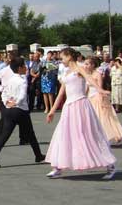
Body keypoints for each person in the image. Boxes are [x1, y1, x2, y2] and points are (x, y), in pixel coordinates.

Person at [45, 48, 117, 180]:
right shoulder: (67, 72)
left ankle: (110, 165)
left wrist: (100, 89)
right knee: (64, 135)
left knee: (89, 134)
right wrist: (52, 110)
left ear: (69, 56)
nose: (61, 60)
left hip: (81, 105)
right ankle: (58, 167)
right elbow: (61, 93)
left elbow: (89, 78)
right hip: (69, 107)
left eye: (63, 57)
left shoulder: (80, 68)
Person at [0, 58, 44, 168]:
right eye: (24, 66)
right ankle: (38, 155)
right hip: (21, 110)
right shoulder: (22, 80)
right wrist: (16, 102)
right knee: (31, 134)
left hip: (9, 110)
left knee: (4, 135)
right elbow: (22, 96)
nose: (26, 68)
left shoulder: (10, 80)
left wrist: (7, 103)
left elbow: (4, 93)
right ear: (19, 68)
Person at [83, 57, 122, 144]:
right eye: (85, 64)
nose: (85, 66)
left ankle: (111, 135)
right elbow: (87, 89)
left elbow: (100, 87)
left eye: (87, 64)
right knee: (92, 119)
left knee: (103, 118)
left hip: (97, 97)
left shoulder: (97, 74)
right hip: (90, 98)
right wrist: (84, 98)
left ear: (93, 65)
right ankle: (95, 138)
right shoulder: (87, 75)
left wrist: (101, 97)